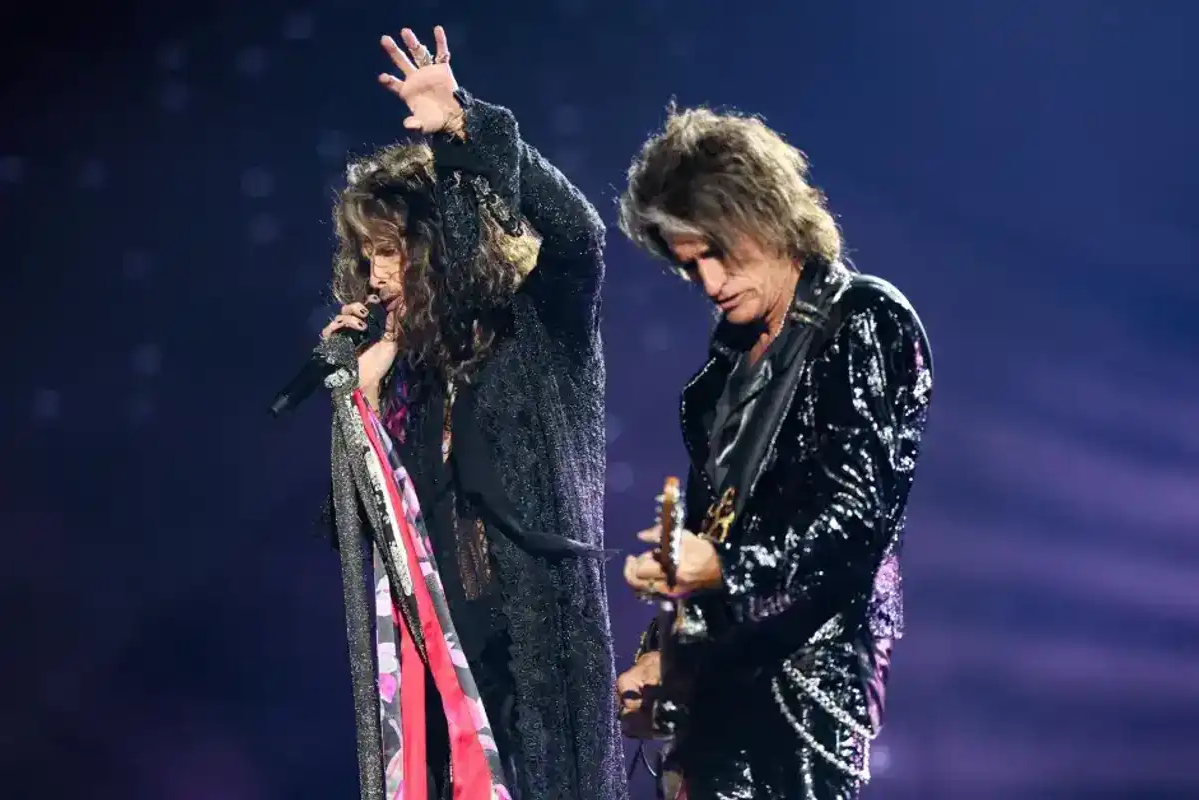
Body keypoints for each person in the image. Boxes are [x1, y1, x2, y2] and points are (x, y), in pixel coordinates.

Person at [319, 24, 625, 800]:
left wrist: (466, 126)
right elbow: (348, 533)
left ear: (443, 245)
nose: (378, 275)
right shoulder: (407, 373)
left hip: (540, 650)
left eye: (394, 251)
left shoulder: (537, 326)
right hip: (446, 667)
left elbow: (580, 236)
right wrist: (362, 400)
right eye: (367, 257)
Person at [613, 106, 933, 799]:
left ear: (766, 215)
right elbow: (716, 528)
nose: (707, 282)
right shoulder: (722, 376)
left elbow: (854, 520)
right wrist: (662, 656)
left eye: (718, 253)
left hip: (803, 701)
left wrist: (723, 566)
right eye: (688, 263)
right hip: (717, 701)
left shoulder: (863, 323)